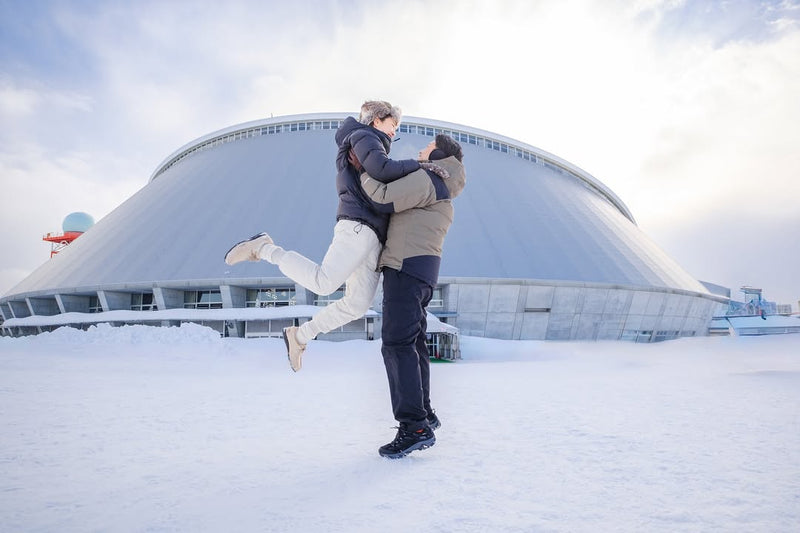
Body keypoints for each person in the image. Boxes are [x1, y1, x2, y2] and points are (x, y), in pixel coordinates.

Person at [224, 101, 420, 371]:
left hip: (373, 236)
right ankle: (264, 248)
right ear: (377, 120)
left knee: (357, 305)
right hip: (357, 225)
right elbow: (382, 170)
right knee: (323, 281)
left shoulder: (372, 142)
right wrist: (420, 165)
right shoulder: (364, 136)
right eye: (392, 125)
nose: (394, 132)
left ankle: (299, 336)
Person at [358, 134, 466, 458]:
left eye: (425, 149)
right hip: (422, 269)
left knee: (396, 344)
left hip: (406, 266)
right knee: (413, 343)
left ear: (438, 154)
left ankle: (414, 427)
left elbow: (382, 197)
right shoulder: (443, 187)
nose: (419, 153)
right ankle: (425, 413)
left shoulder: (429, 177)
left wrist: (360, 167)